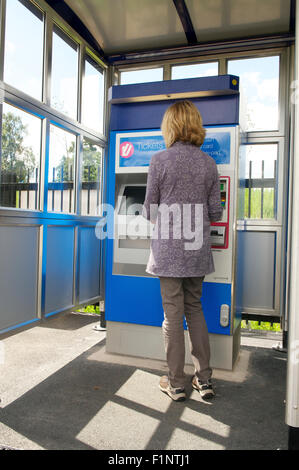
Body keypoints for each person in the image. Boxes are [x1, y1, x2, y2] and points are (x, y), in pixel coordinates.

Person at [142, 100, 223, 402]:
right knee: (196, 310)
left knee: (172, 316)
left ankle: (176, 383)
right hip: (197, 250)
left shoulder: (159, 160)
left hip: (168, 252)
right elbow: (215, 212)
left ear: (171, 126)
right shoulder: (208, 163)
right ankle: (204, 380)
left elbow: (150, 210)